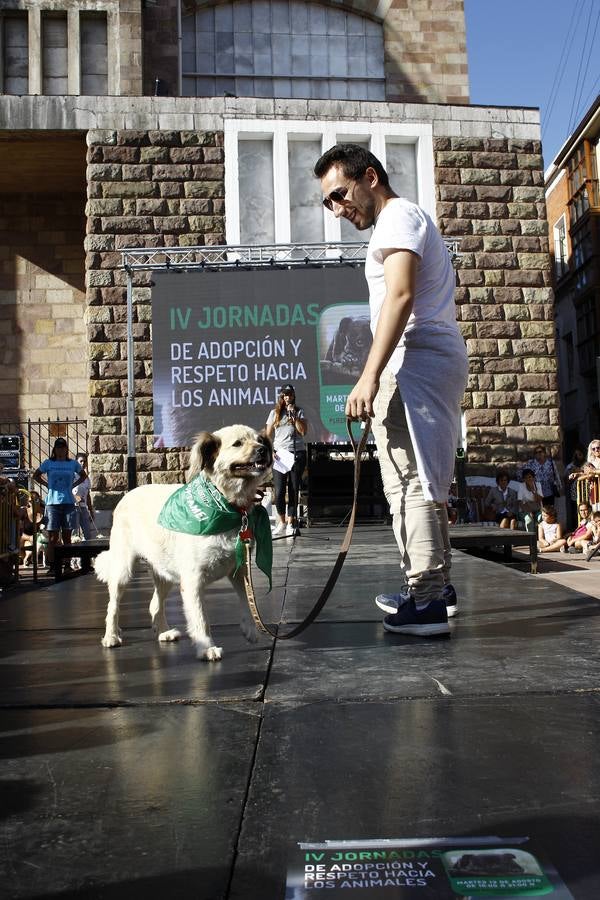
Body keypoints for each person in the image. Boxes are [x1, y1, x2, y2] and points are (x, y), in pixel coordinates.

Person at [314, 143, 468, 636]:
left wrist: (368, 375)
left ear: (370, 177)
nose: (338, 208)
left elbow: (400, 296)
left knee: (410, 479)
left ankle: (424, 602)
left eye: (340, 194)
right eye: (328, 202)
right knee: (422, 477)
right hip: (424, 357)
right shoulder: (398, 221)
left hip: (416, 359)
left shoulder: (398, 217)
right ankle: (435, 589)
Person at [33, 438, 87, 574]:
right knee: (52, 537)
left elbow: (83, 475)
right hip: (52, 504)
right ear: (55, 449)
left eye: (63, 447)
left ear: (66, 449)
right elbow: (36, 475)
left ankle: (67, 565)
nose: (61, 450)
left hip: (68, 502)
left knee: (67, 536)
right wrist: (46, 484)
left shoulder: (72, 464)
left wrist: (73, 485)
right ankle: (53, 565)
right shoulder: (48, 463)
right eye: (58, 447)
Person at [265, 384, 308, 537]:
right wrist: (271, 451)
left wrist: (294, 417)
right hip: (280, 454)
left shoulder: (299, 411)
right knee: (280, 489)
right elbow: (267, 434)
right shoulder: (274, 413)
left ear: (293, 396)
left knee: (294, 488)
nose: (287, 397)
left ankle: (291, 522)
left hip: (297, 453)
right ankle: (281, 522)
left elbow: (303, 431)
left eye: (290, 394)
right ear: (281, 397)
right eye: (285, 395)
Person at [72, 452, 95, 540]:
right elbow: (66, 490)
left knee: (87, 532)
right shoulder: (72, 476)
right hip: (73, 507)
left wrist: (91, 510)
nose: (83, 464)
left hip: (83, 507)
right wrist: (75, 498)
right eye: (80, 461)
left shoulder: (86, 478)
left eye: (84, 462)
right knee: (74, 533)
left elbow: (88, 495)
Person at [564, 446, 586, 529]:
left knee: (586, 510)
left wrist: (580, 472)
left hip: (586, 491)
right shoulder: (570, 466)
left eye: (579, 454)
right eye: (576, 455)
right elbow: (566, 479)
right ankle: (577, 528)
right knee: (575, 511)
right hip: (575, 492)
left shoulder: (587, 464)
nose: (578, 456)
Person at [517, 468, 543, 532]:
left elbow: (540, 500)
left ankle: (540, 537)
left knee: (541, 517)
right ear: (524, 479)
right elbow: (519, 502)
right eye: (526, 478)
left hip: (537, 509)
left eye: (530, 477)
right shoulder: (521, 486)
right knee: (529, 519)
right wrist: (529, 512)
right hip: (525, 510)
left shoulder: (538, 485)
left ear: (533, 477)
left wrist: (533, 490)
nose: (528, 479)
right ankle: (531, 538)